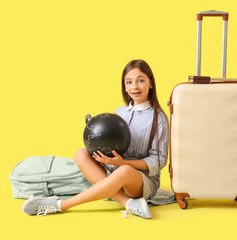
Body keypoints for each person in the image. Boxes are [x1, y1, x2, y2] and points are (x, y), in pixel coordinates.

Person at [22, 59, 169, 219]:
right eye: (129, 82)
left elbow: (159, 160)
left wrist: (123, 163)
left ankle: (60, 205)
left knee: (124, 170)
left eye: (141, 80)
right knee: (80, 153)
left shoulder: (159, 118)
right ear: (124, 86)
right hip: (114, 170)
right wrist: (103, 152)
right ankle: (126, 203)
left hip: (141, 180)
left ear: (151, 83)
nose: (135, 87)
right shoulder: (120, 112)